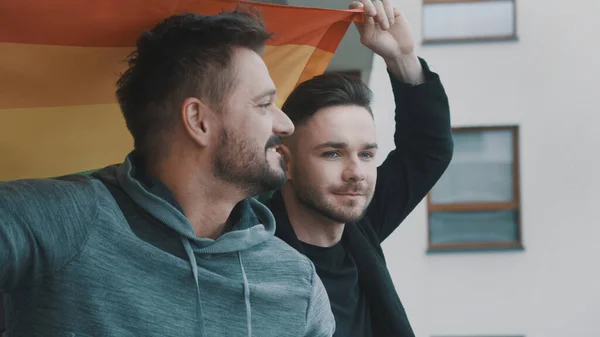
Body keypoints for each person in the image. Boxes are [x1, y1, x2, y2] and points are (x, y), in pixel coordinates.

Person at [0, 8, 335, 337]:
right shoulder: (64, 220)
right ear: (198, 121)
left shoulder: (297, 283)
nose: (286, 124)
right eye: (264, 105)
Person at [264, 0, 454, 336]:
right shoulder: (249, 248)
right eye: (332, 154)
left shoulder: (360, 227)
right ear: (285, 160)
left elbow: (427, 151)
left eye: (366, 154)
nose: (356, 172)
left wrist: (401, 58)